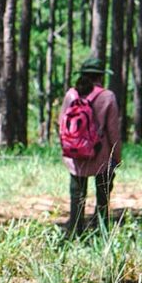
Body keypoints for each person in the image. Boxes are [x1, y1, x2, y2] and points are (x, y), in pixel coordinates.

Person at [58, 57, 121, 235]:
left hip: (75, 155)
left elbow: (61, 123)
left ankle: (75, 230)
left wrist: (69, 146)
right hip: (101, 155)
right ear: (101, 77)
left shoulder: (71, 94)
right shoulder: (107, 97)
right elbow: (113, 131)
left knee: (77, 194)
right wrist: (116, 156)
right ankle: (99, 230)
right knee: (103, 194)